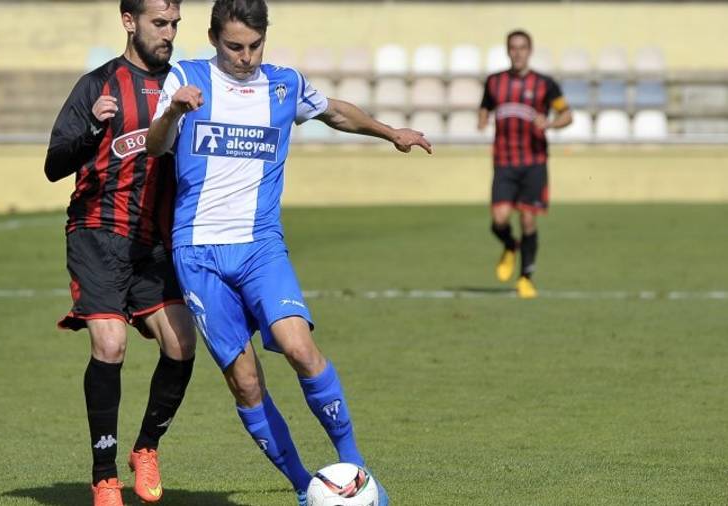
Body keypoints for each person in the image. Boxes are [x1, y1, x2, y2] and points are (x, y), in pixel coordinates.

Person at [146, 1, 432, 504]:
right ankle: (306, 488)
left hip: (260, 245)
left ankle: (358, 473)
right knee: (246, 382)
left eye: (255, 45)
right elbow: (154, 147)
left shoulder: (284, 84)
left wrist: (391, 133)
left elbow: (335, 111)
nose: (246, 56)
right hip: (199, 253)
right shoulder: (185, 79)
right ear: (214, 38)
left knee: (300, 348)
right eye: (235, 46)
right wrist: (171, 110)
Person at [43, 1, 196, 505]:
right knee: (109, 345)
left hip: (154, 241)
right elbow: (53, 165)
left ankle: (145, 449)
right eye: (159, 23)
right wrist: (90, 127)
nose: (168, 33)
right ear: (129, 22)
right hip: (97, 232)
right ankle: (105, 476)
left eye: (174, 24)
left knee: (181, 345)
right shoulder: (98, 85)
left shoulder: (185, 86)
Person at [478, 30, 572, 298]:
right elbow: (485, 105)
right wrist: (483, 118)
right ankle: (510, 245)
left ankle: (525, 278)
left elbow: (567, 114)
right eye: (513, 48)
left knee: (528, 219)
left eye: (522, 48)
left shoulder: (545, 84)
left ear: (530, 51)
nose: (518, 52)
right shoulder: (494, 82)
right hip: (505, 162)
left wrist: (551, 122)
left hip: (534, 162)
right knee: (499, 219)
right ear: (508, 51)